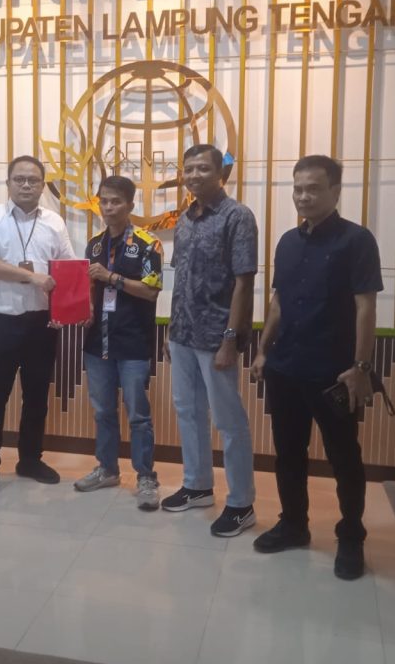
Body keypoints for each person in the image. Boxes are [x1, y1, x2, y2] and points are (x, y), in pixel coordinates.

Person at [249, 154, 382, 580]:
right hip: (285, 368)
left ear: (335, 191)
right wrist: (263, 350)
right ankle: (293, 524)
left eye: (313, 188)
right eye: (298, 188)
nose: (303, 196)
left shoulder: (357, 241)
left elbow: (365, 308)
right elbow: (278, 302)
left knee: (345, 458)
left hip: (334, 373)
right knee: (288, 453)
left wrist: (361, 367)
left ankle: (351, 537)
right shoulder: (287, 242)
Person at [163, 144, 259, 538]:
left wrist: (231, 339)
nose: (194, 175)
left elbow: (244, 283)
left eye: (203, 168)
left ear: (220, 173)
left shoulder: (237, 216)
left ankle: (242, 503)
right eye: (188, 169)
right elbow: (181, 279)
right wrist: (172, 330)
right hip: (183, 334)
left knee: (228, 421)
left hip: (217, 336)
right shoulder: (185, 219)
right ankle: (198, 485)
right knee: (188, 412)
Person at [0, 155, 77, 495]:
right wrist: (31, 277)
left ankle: (30, 460)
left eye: (33, 180)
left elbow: (67, 269)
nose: (26, 185)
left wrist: (69, 310)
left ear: (43, 185)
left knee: (36, 397)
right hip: (0, 322)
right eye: (19, 179)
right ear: (8, 183)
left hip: (41, 324)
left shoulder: (54, 222)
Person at [75, 176, 163, 511]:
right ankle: (108, 470)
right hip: (97, 343)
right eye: (104, 201)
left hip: (134, 343)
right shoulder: (94, 245)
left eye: (116, 201)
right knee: (103, 411)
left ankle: (146, 477)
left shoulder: (148, 243)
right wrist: (83, 310)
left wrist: (112, 277)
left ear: (130, 205)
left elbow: (151, 291)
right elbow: (90, 290)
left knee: (138, 415)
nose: (109, 207)